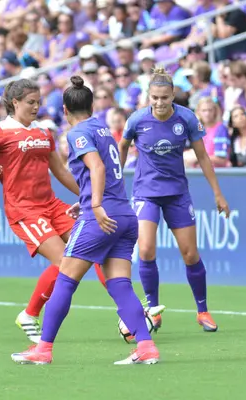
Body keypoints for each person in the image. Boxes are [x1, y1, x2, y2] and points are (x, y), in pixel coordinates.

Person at [11, 76, 160, 365]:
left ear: (65, 110)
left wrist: (94, 204)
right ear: (91, 106)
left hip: (101, 217)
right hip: (126, 216)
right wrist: (86, 200)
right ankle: (145, 346)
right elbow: (108, 172)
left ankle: (43, 348)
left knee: (65, 279)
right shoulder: (103, 130)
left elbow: (97, 166)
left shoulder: (77, 133)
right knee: (119, 285)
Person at [0, 78, 107, 344]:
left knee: (95, 242)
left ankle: (126, 313)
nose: (35, 107)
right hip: (24, 210)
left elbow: (61, 171)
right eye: (30, 102)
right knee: (65, 261)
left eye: (38, 102)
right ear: (15, 102)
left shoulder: (43, 132)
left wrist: (92, 196)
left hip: (51, 205)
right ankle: (29, 314)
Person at [118, 67, 231, 333]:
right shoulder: (136, 120)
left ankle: (202, 310)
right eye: (154, 98)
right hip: (146, 192)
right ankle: (153, 310)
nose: (159, 103)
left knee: (190, 254)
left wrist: (217, 192)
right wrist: (115, 179)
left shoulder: (187, 119)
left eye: (164, 98)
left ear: (173, 96)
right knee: (145, 249)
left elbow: (203, 157)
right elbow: (122, 146)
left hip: (177, 194)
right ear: (149, 96)